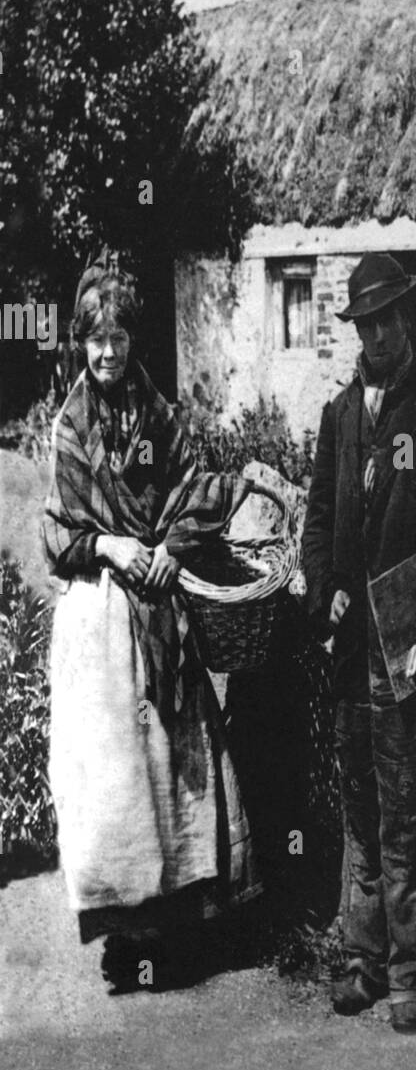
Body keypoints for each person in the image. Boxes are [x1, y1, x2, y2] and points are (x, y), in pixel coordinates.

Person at [42, 265, 260, 991]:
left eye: (118, 336)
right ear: (80, 342)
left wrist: (167, 551)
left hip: (159, 609)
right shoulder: (69, 427)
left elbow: (193, 484)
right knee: (115, 781)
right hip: (102, 616)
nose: (107, 352)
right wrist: (111, 546)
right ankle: (121, 934)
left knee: (173, 771)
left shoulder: (157, 414)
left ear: (133, 339)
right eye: (95, 339)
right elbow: (58, 533)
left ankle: (171, 929)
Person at [302, 252, 416, 1033]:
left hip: (407, 652)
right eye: (365, 322)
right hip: (352, 655)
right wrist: (326, 593)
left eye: (388, 319)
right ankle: (362, 960)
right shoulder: (341, 417)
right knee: (360, 812)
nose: (378, 334)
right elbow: (317, 523)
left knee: (407, 811)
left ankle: (414, 971)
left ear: (405, 321)